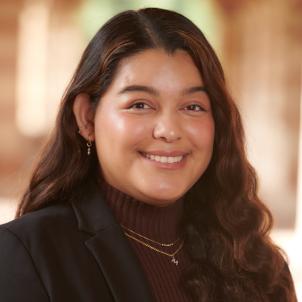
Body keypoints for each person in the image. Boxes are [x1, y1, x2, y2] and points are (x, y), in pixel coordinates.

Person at [0, 7, 297, 302]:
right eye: (140, 104)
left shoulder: (258, 263)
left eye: (192, 107)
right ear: (86, 118)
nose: (169, 130)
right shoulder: (27, 253)